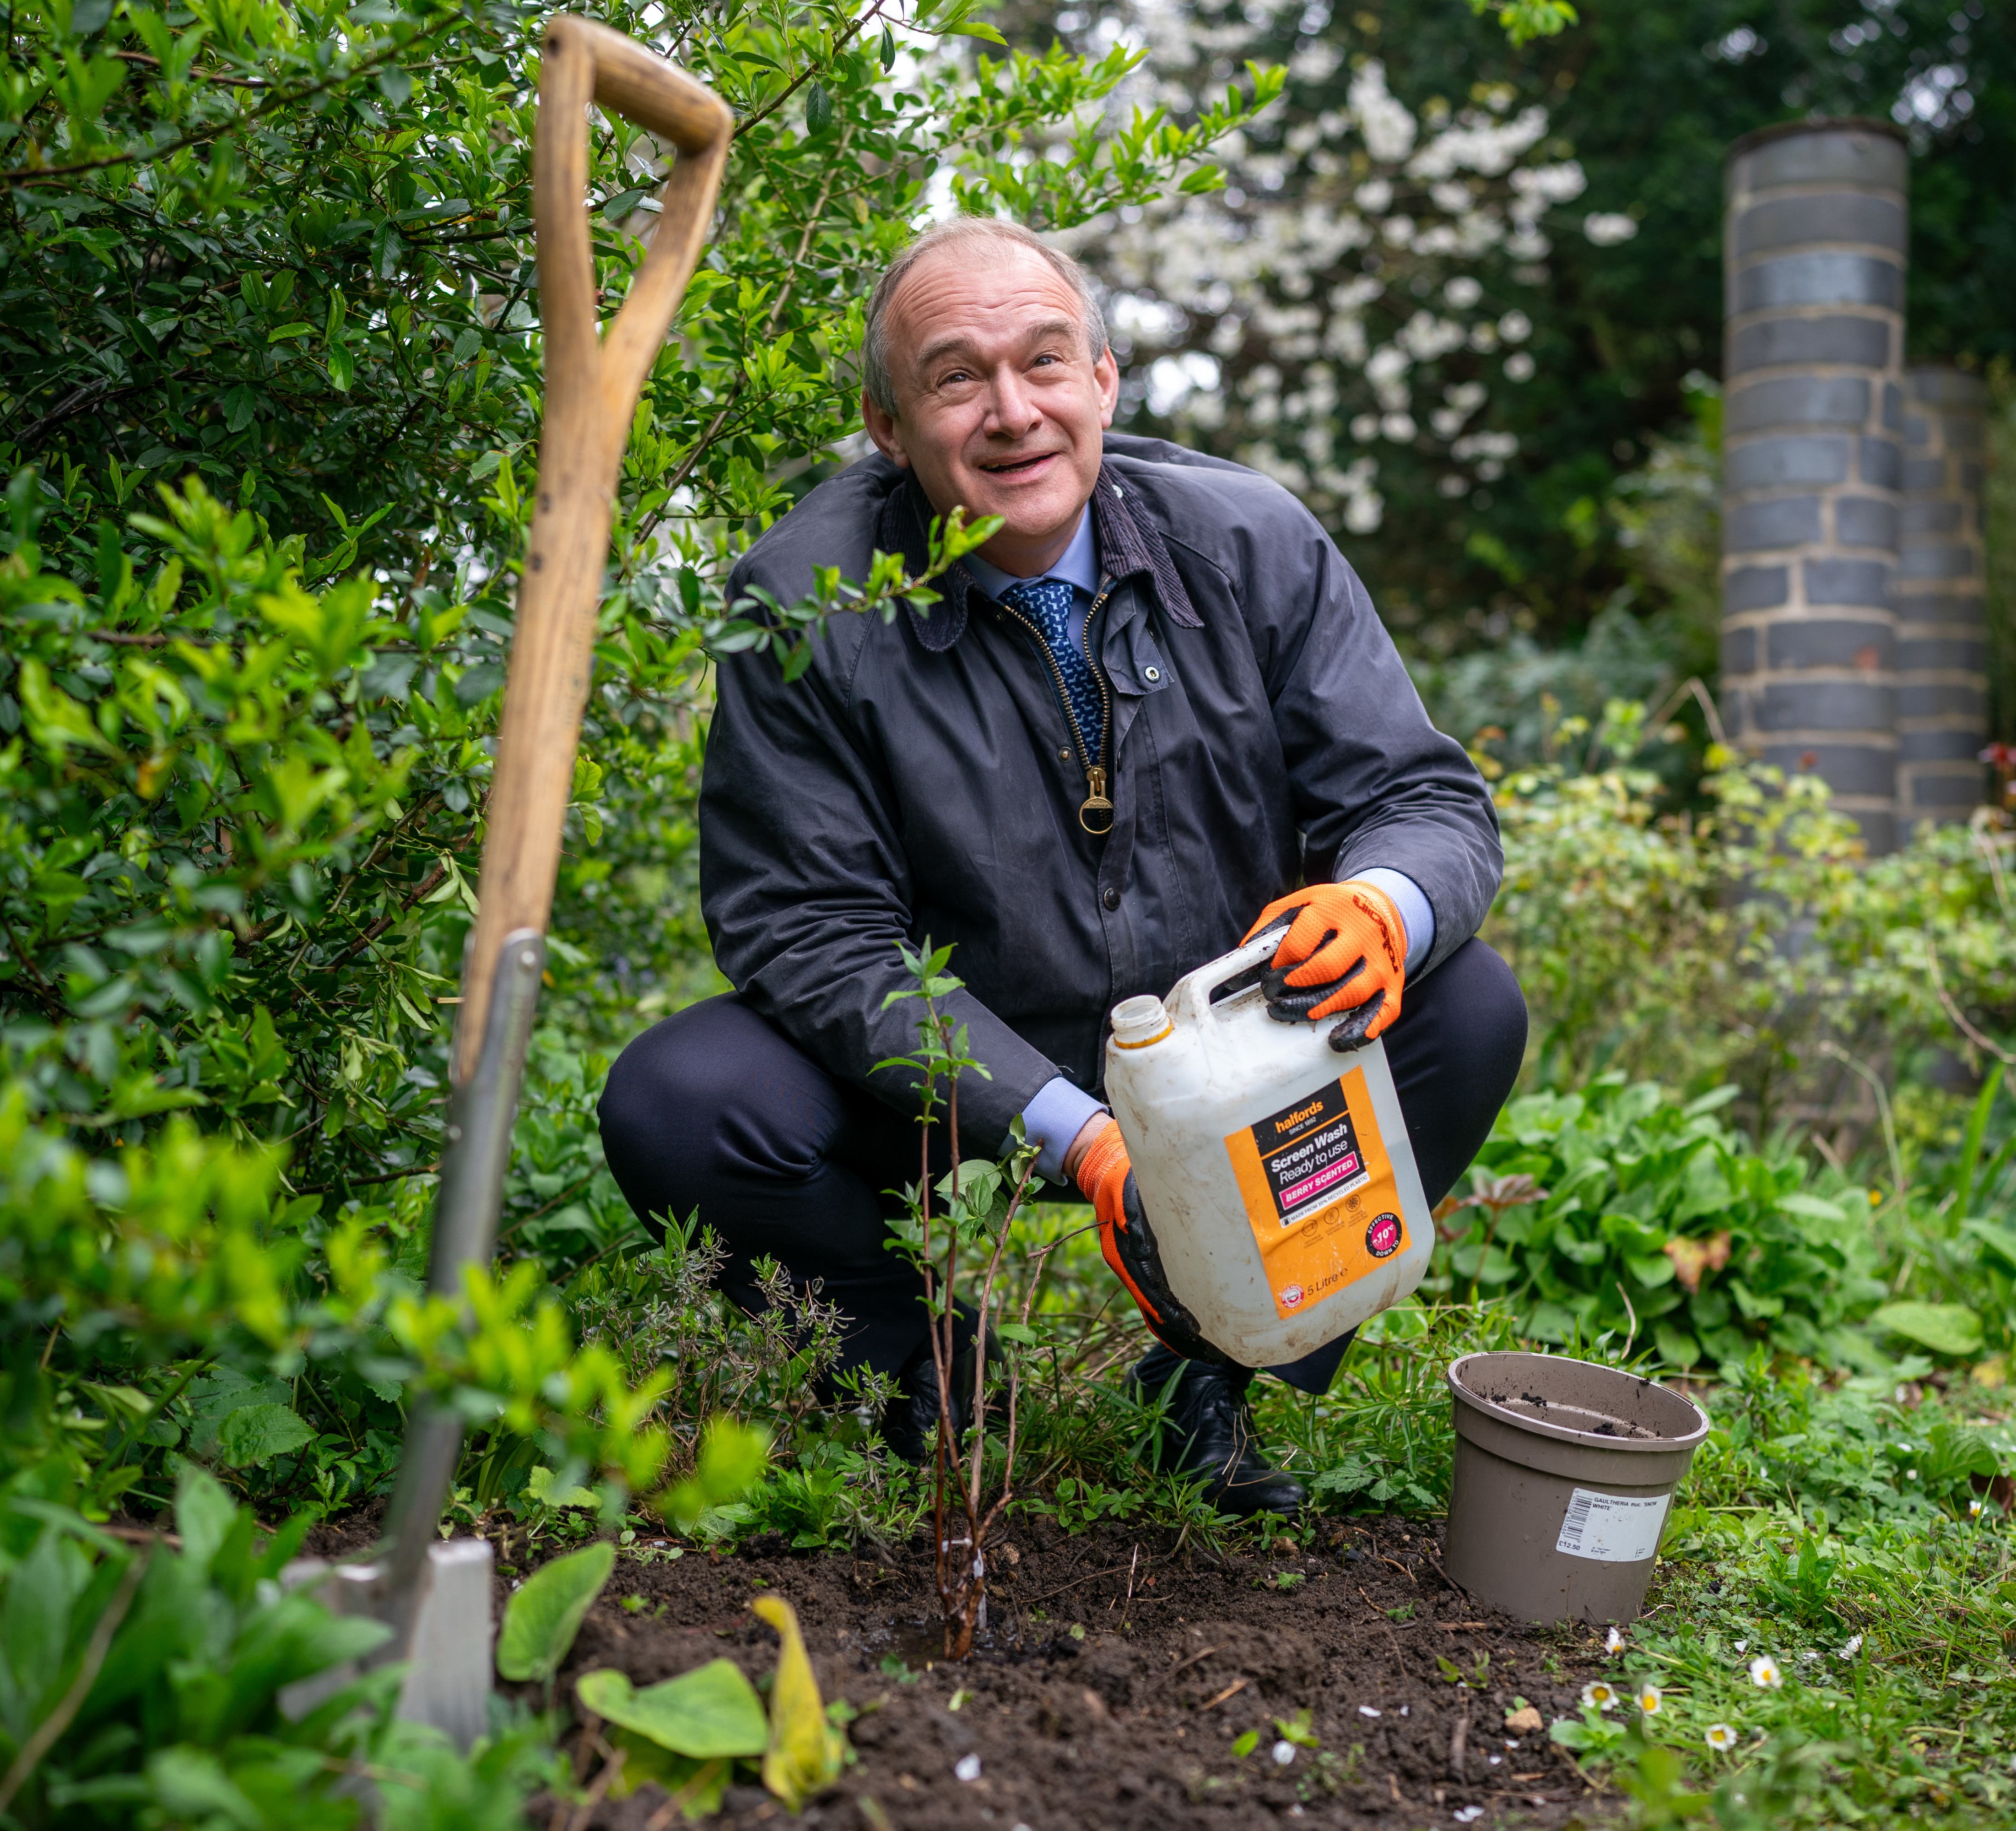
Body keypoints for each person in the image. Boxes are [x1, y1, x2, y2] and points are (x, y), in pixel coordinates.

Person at [597, 218, 1524, 1517]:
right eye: (956, 377)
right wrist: (1080, 1136)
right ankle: (935, 1383)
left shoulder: (1252, 542)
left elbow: (1421, 796)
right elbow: (812, 933)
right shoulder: (810, 601)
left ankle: (1209, 1373)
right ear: (887, 424)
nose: (1013, 413)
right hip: (944, 1073)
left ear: (1105, 379)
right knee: (679, 1100)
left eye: (1045, 363)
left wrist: (1382, 904)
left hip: (1224, 1045)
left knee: (1465, 1003)